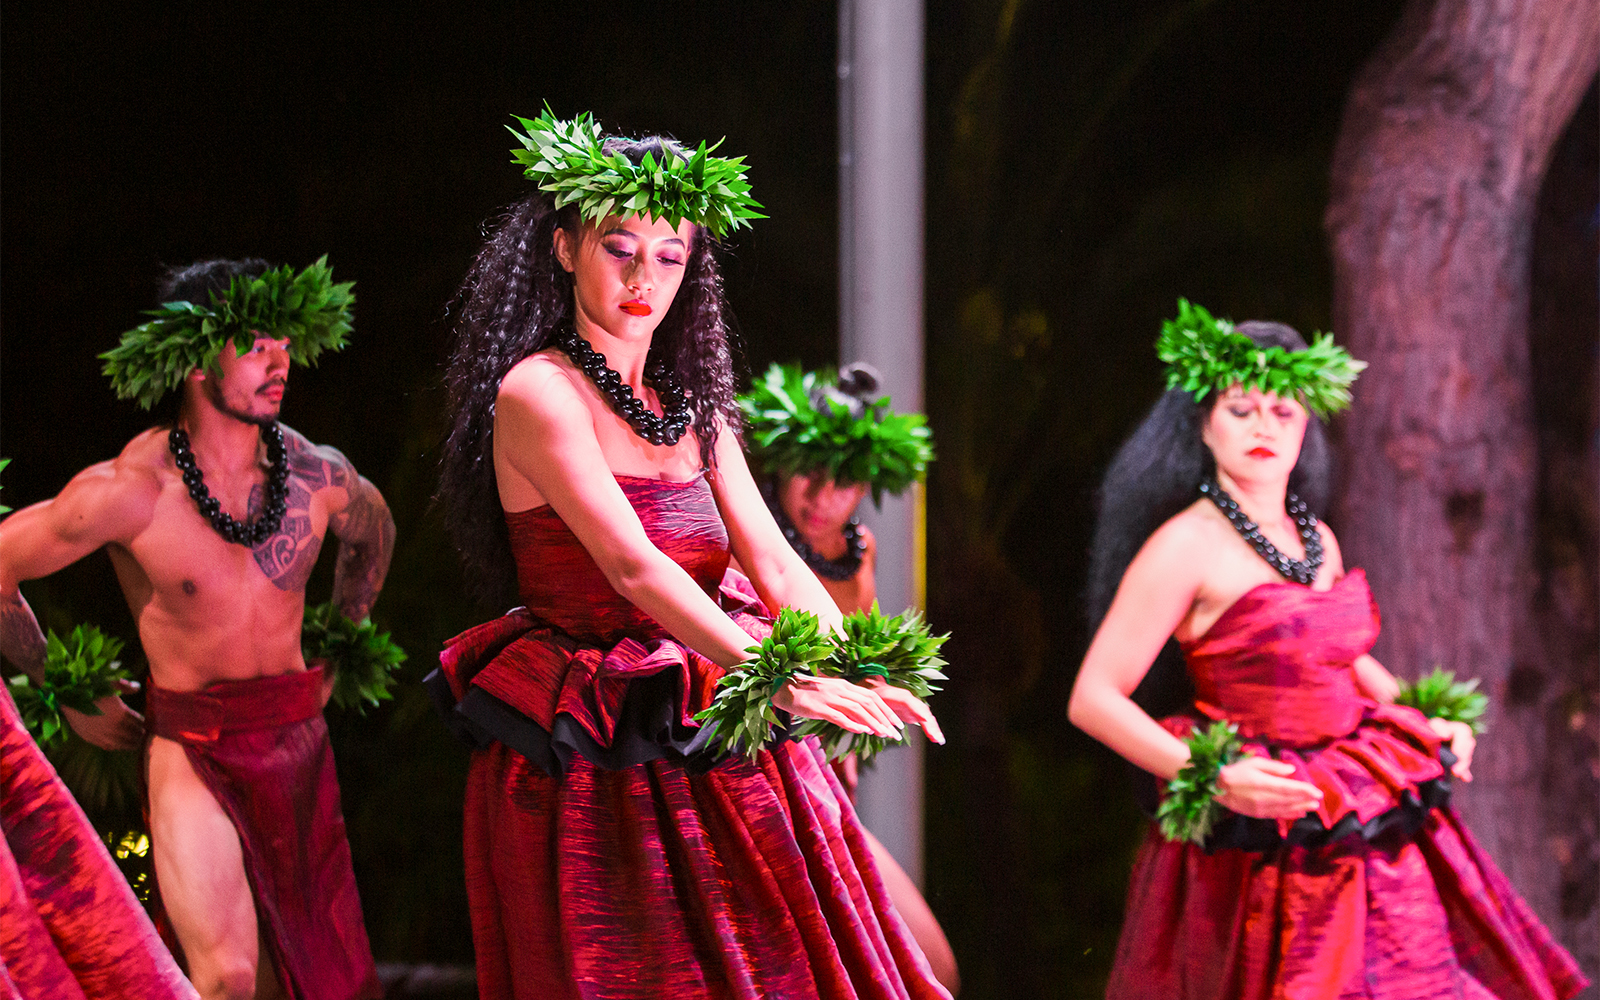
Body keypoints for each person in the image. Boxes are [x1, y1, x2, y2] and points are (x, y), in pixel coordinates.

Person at [430, 109, 950, 1000]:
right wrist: (774, 676)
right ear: (564, 249)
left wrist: (851, 663)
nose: (643, 278)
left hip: (720, 714)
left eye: (670, 257)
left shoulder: (693, 404)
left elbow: (777, 563)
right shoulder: (539, 392)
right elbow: (634, 567)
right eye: (618, 248)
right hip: (604, 748)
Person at [1067, 302, 1587, 999]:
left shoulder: (1315, 538)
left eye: (1283, 413)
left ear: (1307, 424)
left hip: (1358, 811)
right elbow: (1093, 698)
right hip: (1264, 836)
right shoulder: (1184, 545)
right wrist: (1212, 774)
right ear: (1203, 423)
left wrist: (1420, 716)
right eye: (1241, 409)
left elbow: (1337, 657)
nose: (1262, 428)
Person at [0, 257, 392, 1000]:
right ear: (192, 359)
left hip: (297, 740)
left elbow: (376, 532)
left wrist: (343, 635)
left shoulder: (317, 475)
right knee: (228, 975)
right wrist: (68, 689)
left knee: (318, 976)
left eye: (284, 341)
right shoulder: (131, 493)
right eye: (252, 343)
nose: (278, 360)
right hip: (192, 747)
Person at [740, 360, 958, 994]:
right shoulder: (744, 542)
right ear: (780, 464)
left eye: (843, 481)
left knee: (930, 969)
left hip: (825, 780)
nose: (820, 496)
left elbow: (854, 656)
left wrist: (863, 710)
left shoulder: (860, 549)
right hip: (751, 773)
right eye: (810, 473)